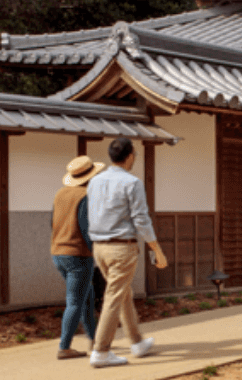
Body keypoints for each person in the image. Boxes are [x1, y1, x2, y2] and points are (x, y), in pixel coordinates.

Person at [86, 137, 168, 368]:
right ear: (130, 156)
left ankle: (137, 342)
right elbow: (141, 219)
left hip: (99, 247)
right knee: (115, 296)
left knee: (122, 294)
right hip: (122, 247)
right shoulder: (132, 183)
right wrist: (157, 249)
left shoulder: (94, 181)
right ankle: (101, 351)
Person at [51, 155, 106, 359]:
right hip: (78, 255)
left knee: (86, 296)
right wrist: (97, 253)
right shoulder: (86, 196)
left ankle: (95, 340)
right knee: (75, 302)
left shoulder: (60, 194)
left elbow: (52, 222)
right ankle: (64, 347)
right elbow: (86, 228)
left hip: (58, 253)